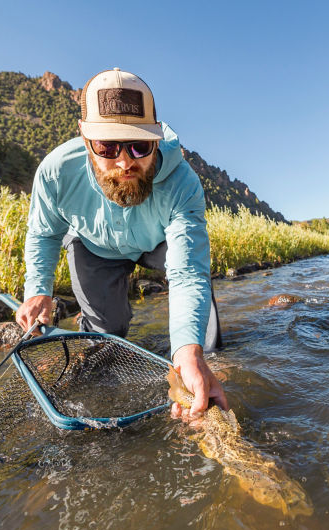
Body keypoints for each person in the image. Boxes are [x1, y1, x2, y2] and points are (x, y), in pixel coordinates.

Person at [15, 68, 227, 418]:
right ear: (85, 140)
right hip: (94, 247)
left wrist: (188, 354)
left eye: (139, 145)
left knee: (202, 342)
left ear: (156, 140)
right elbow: (44, 233)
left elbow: (187, 272)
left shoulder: (183, 183)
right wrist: (38, 289)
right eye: (107, 146)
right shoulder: (55, 172)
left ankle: (207, 367)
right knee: (105, 339)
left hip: (156, 244)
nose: (125, 161)